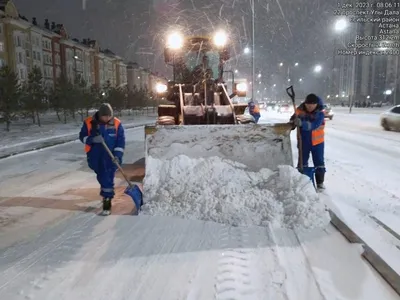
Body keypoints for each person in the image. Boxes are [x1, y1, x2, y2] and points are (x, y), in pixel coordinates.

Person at [79, 103, 125, 214]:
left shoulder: (117, 124)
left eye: (109, 116)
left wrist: (117, 156)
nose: (107, 118)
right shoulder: (89, 122)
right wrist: (92, 139)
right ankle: (105, 192)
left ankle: (107, 201)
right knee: (101, 175)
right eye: (105, 116)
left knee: (107, 176)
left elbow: (120, 141)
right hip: (94, 155)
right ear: (100, 115)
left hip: (110, 156)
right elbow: (82, 136)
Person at [291, 94, 326, 189]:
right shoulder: (299, 110)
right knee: (302, 162)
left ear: (316, 104)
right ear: (305, 103)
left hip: (317, 143)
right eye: (308, 104)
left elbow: (314, 125)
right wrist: (294, 122)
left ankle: (320, 183)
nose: (310, 106)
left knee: (319, 163)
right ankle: (302, 181)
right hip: (303, 141)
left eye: (312, 104)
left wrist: (302, 123)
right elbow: (292, 121)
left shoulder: (320, 113)